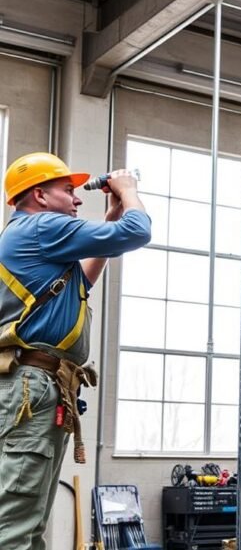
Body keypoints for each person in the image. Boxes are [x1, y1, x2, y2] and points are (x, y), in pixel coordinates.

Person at [0, 152, 151, 550]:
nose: (78, 198)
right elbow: (138, 231)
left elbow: (82, 280)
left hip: (39, 387)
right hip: (31, 387)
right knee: (15, 524)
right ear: (40, 196)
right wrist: (129, 191)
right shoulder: (41, 227)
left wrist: (111, 217)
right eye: (68, 190)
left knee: (29, 519)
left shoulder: (36, 238)